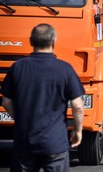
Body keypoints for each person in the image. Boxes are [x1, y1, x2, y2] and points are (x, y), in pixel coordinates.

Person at [0, 23, 85, 172]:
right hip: (55, 143)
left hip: (24, 142)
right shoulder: (65, 69)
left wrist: (19, 118)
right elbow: (77, 106)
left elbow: (6, 101)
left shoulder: (17, 67)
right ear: (53, 42)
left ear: (31, 41)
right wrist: (78, 131)